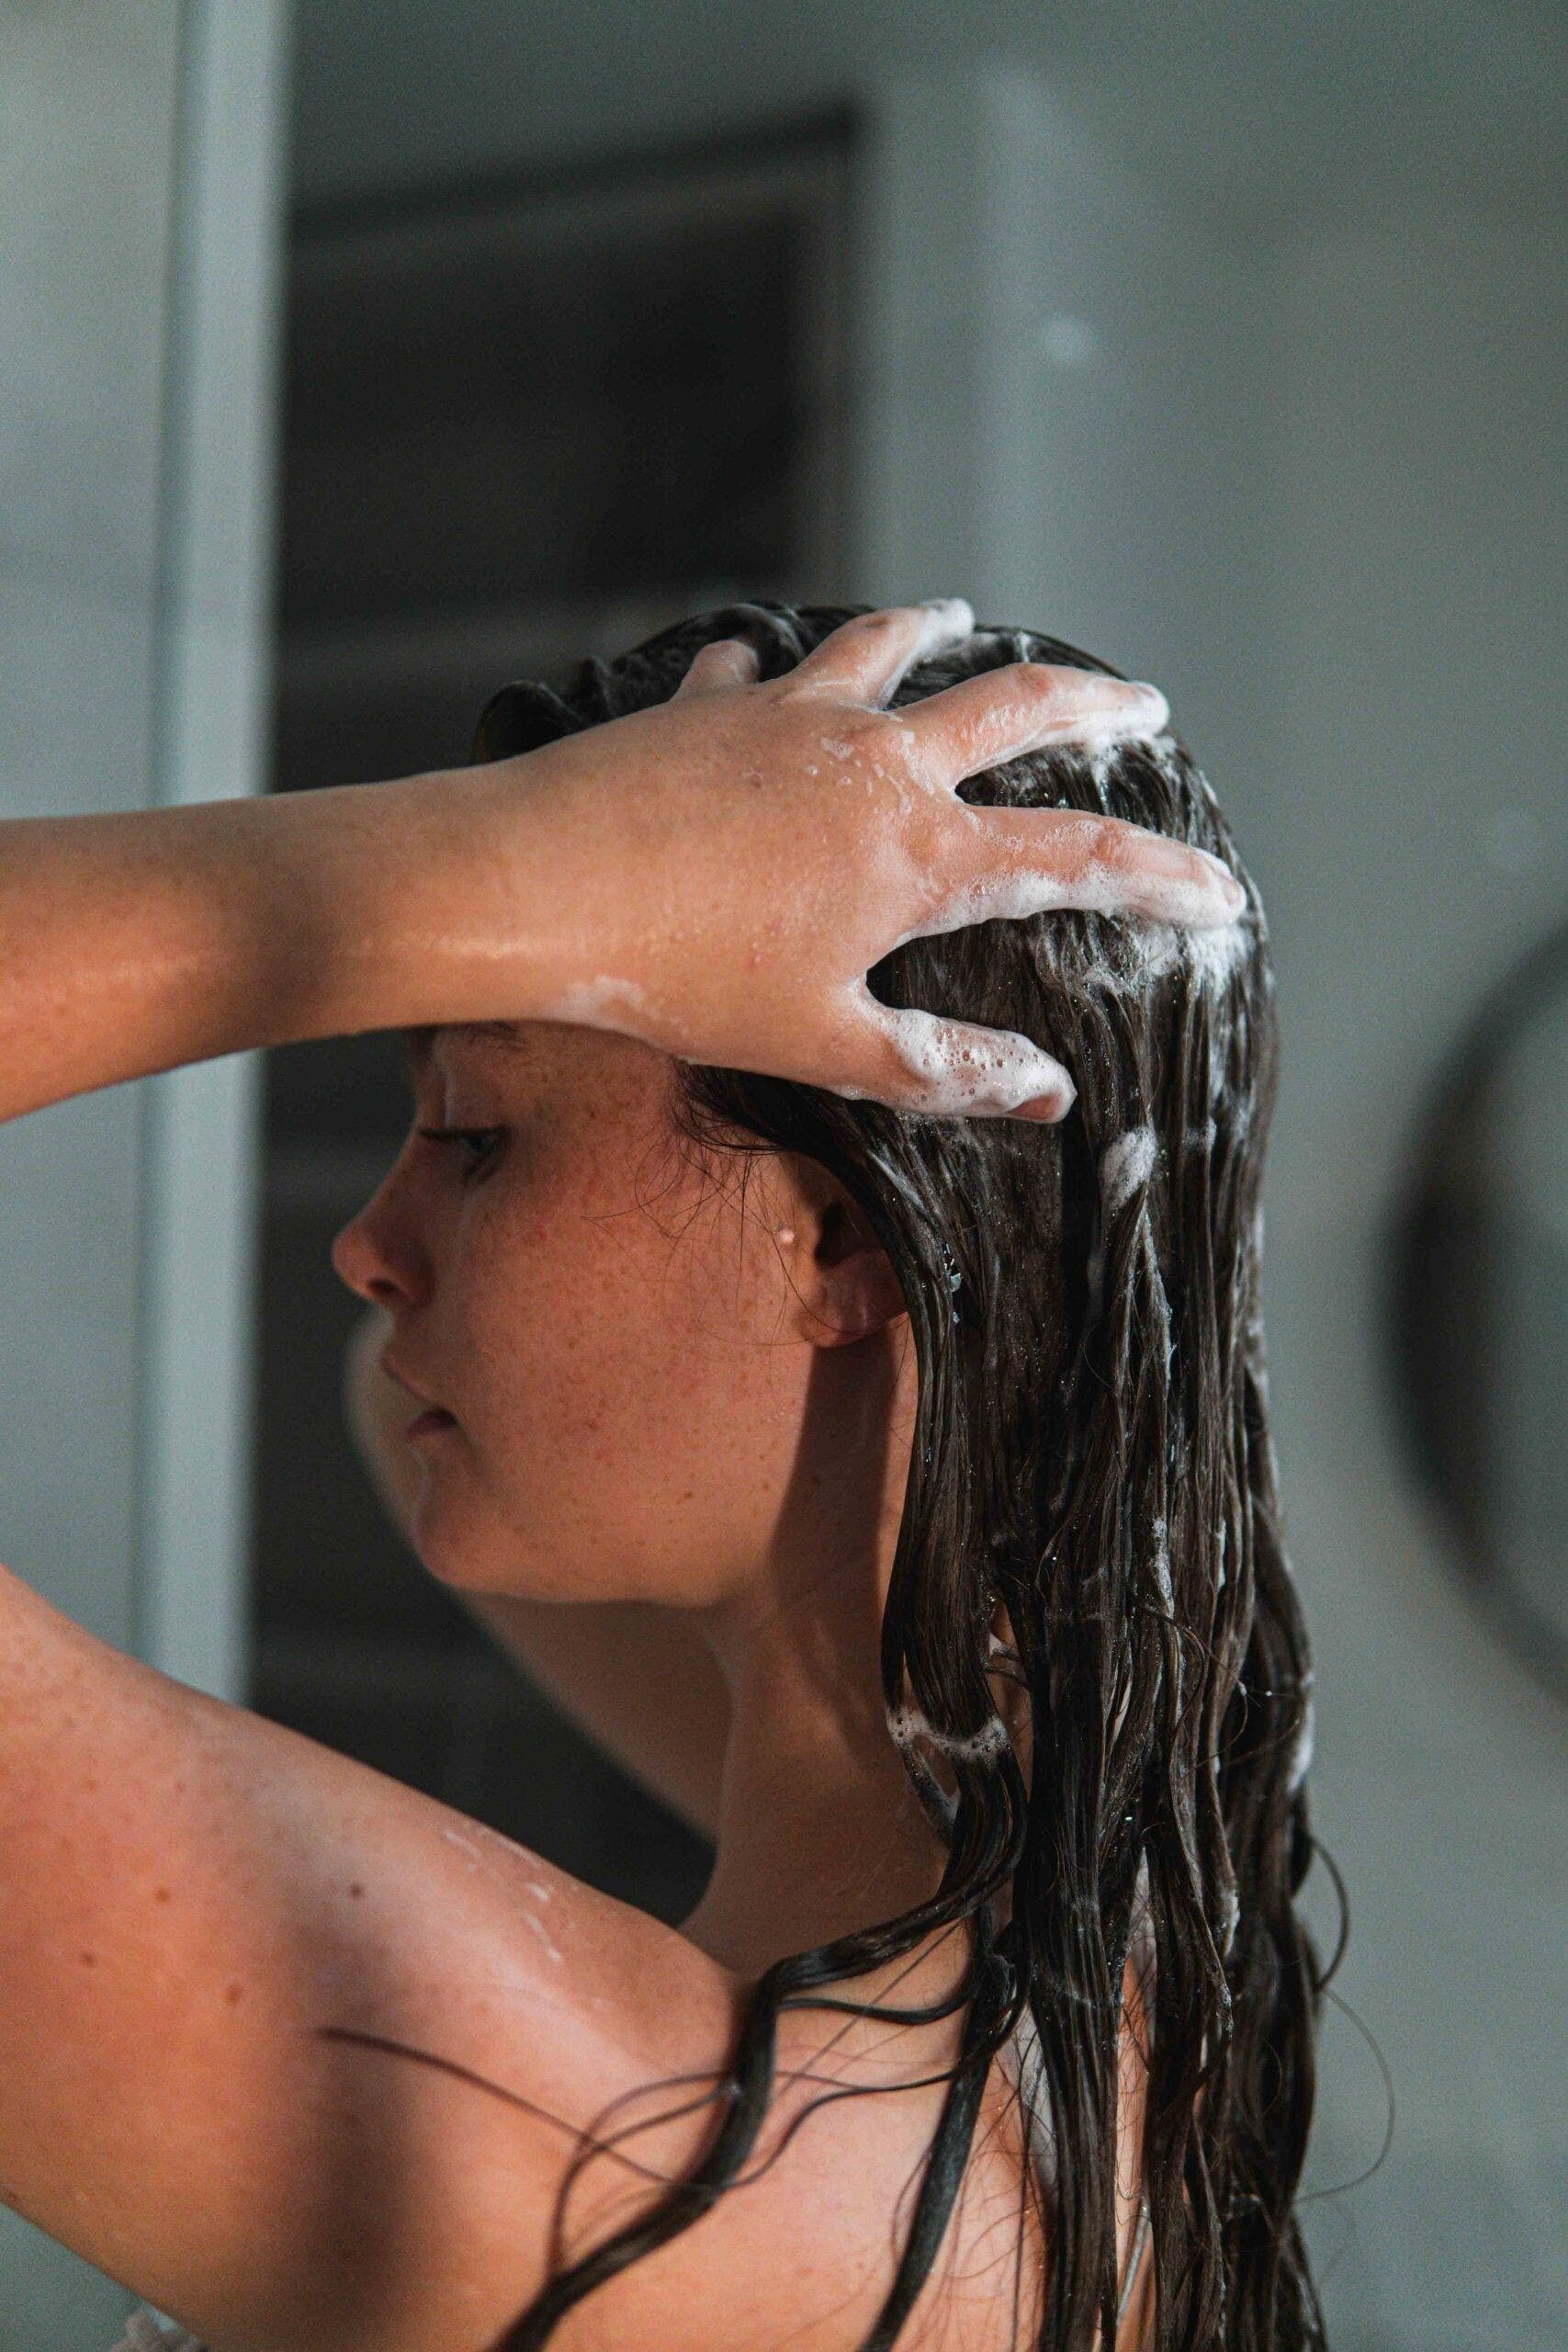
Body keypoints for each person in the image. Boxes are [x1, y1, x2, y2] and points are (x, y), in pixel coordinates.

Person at [0, 600, 1316, 2350]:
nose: (367, 1247)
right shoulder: (1108, 1958)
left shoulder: (654, 2161)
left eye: (478, 1137)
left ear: (847, 1240)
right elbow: (402, 1416)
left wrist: (524, 871)